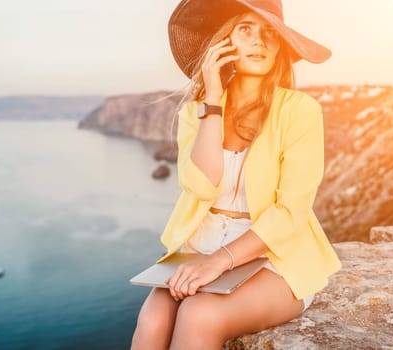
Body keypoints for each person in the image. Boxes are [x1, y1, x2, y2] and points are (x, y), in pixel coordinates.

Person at [131, 0, 342, 348]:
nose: (259, 41)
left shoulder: (300, 111)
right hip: (201, 246)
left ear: (280, 48)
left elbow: (290, 212)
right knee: (153, 320)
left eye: (270, 33)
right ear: (224, 41)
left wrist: (220, 261)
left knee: (199, 315)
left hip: (275, 257)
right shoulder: (195, 114)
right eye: (246, 29)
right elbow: (201, 185)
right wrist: (212, 100)